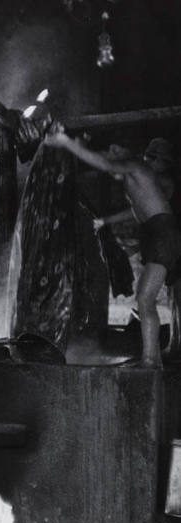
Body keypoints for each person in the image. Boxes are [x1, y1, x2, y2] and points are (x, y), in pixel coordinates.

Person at [45, 128, 181, 367]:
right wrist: (105, 221)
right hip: (159, 233)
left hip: (163, 234)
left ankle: (151, 359)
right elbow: (136, 209)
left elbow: (105, 164)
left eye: (117, 148)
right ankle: (155, 356)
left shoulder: (136, 166)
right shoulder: (139, 174)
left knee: (145, 298)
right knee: (146, 297)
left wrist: (67, 142)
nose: (113, 152)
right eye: (111, 149)